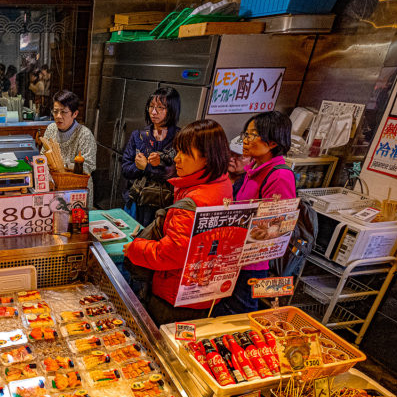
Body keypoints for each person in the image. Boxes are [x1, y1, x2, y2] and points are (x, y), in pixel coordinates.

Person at [123, 119, 233, 326]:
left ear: (207, 158)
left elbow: (169, 254)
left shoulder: (194, 202)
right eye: (177, 151)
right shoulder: (222, 183)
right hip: (205, 292)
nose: (177, 159)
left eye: (185, 153)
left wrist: (135, 248)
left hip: (175, 297)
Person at [214, 110, 296, 316]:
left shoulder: (279, 177)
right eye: (246, 134)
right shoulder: (253, 169)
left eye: (252, 135)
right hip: (235, 257)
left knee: (241, 315)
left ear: (272, 143)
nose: (246, 140)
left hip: (251, 264)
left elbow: (275, 230)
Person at [121, 87, 182, 226]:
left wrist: (148, 167)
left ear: (172, 110)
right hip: (137, 202)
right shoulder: (139, 135)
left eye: (160, 108)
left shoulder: (180, 138)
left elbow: (176, 175)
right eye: (151, 106)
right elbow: (125, 169)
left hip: (164, 207)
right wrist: (139, 167)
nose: (154, 112)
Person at [42, 89, 97, 206]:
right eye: (55, 111)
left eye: (63, 112)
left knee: (76, 222)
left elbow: (88, 166)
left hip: (77, 191)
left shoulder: (84, 134)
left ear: (75, 114)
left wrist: (63, 166)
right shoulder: (51, 129)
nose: (58, 116)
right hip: (55, 188)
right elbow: (43, 156)